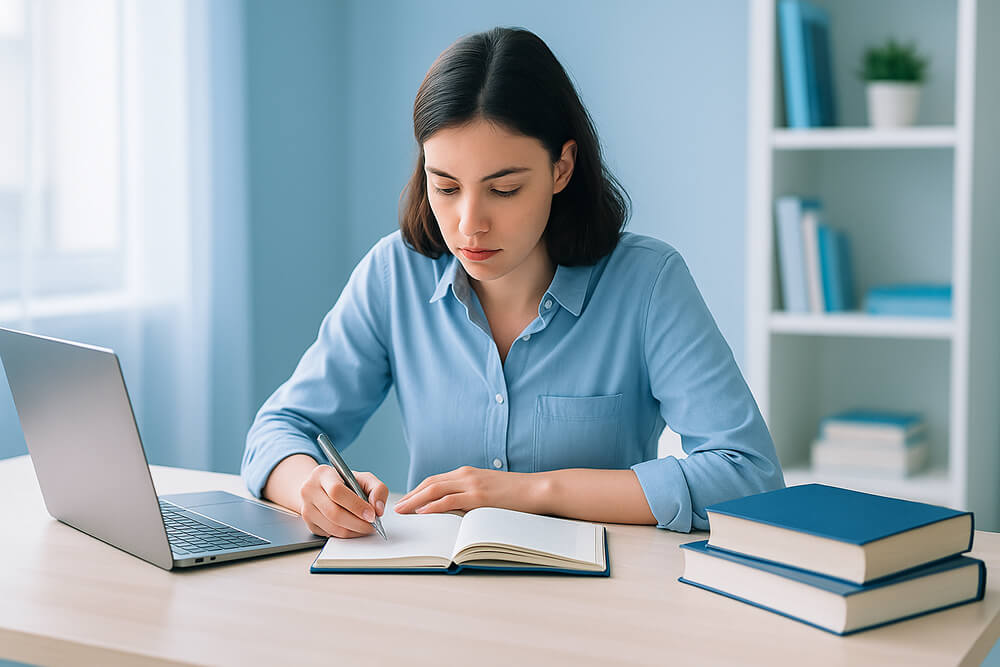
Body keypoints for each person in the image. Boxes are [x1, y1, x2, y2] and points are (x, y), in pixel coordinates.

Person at [241, 26, 783, 540]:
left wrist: (534, 492)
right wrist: (311, 486)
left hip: (600, 603)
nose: (469, 224)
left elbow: (747, 476)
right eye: (446, 187)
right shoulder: (394, 274)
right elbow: (279, 429)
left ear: (561, 169)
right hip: (435, 599)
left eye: (504, 190)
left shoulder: (648, 283)